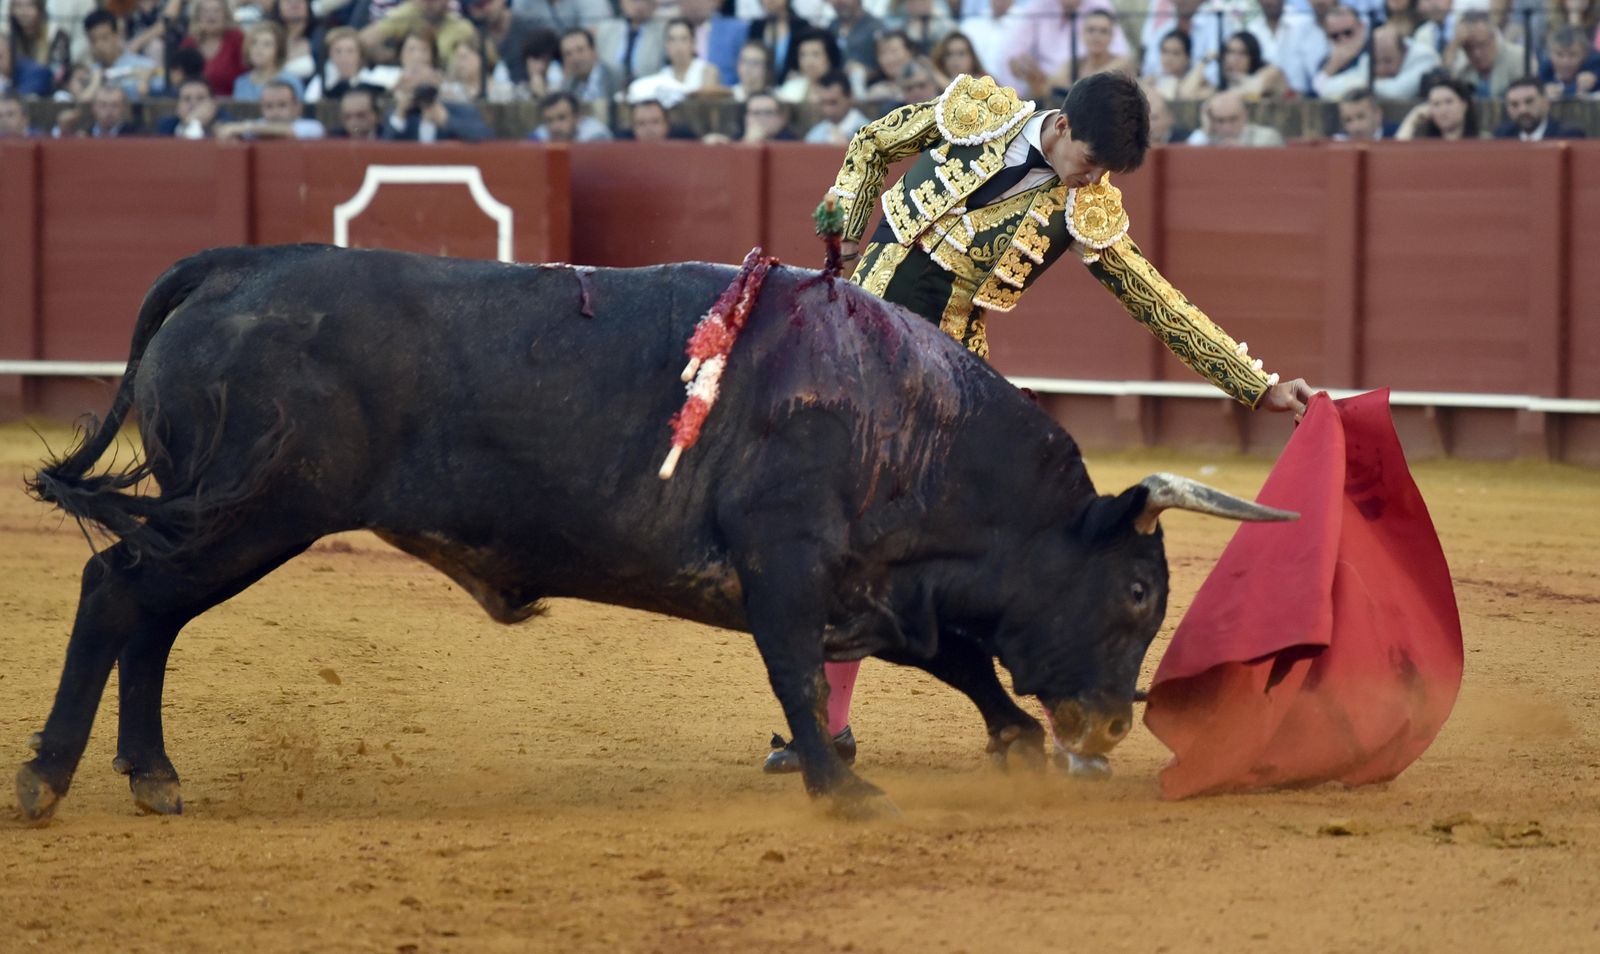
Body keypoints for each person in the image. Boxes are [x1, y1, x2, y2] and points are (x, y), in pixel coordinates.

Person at [761, 71, 1314, 773]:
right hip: (845, 356)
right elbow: (874, 143)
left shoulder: (1088, 211)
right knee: (833, 538)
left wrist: (1255, 385)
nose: (1094, 182)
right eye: (1089, 163)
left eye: (1107, 173)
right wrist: (847, 202)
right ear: (1058, 129)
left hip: (945, 385)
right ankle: (826, 729)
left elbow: (1159, 303)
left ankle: (1073, 725)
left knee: (1006, 551)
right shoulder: (977, 113)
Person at [627, 16, 723, 107]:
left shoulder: (707, 71)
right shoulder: (662, 77)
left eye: (683, 39)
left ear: (693, 43)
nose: (678, 46)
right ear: (666, 45)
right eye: (672, 40)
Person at [216, 78, 325, 138]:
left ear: (296, 106)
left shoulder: (312, 127)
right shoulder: (254, 126)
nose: (275, 112)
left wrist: (244, 127)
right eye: (269, 106)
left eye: (282, 105)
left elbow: (287, 132)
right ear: (261, 108)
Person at [1492, 75, 1588, 138]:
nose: (1522, 110)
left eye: (1529, 101)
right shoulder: (1502, 135)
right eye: (1514, 104)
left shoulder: (1568, 135)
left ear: (1546, 102)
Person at [233, 20, 304, 100]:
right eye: (254, 43)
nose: (259, 48)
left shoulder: (290, 81)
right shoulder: (241, 82)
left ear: (278, 50)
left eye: (267, 44)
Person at [1396, 71, 1480, 137]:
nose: (1443, 109)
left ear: (1464, 104)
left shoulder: (1483, 140)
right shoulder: (1424, 144)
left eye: (1449, 102)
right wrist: (1413, 118)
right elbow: (1397, 155)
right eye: (1436, 104)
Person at [1186, 89, 1286, 144]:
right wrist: (1205, 130)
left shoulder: (1267, 137)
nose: (1227, 127)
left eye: (1233, 119)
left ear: (1245, 116)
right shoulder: (1207, 138)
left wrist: (1241, 151)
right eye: (1220, 121)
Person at [803, 70, 867, 143]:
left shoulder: (870, 132)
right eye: (823, 103)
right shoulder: (814, 135)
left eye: (833, 102)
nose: (828, 110)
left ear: (849, 98)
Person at [528, 88, 611, 140]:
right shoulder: (541, 135)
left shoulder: (596, 136)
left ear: (577, 118)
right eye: (549, 120)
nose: (555, 127)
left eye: (561, 118)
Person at [1333, 85, 1397, 138]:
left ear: (1378, 115)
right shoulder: (1338, 142)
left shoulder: (1398, 136)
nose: (1356, 127)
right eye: (1348, 120)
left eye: (1361, 117)